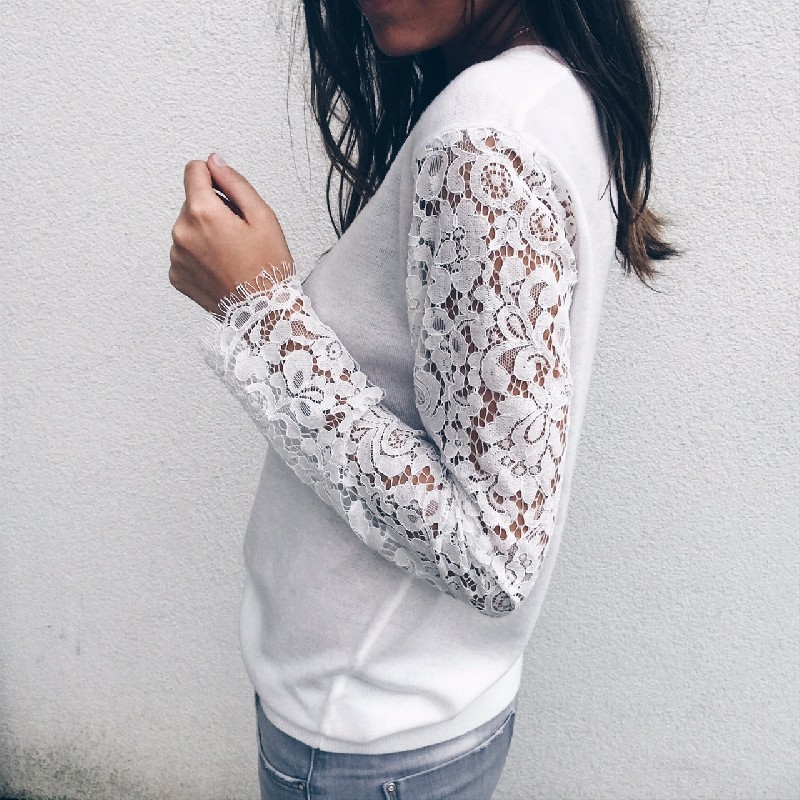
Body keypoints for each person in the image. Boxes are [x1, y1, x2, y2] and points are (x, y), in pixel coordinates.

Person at [169, 0, 680, 796]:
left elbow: (492, 551)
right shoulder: (546, 91)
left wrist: (259, 310)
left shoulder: (484, 136)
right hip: (407, 712)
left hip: (363, 731)